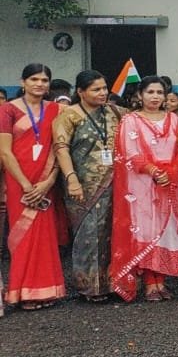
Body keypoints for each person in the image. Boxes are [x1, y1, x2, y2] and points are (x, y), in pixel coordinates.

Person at [109, 76, 178, 302]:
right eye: (150, 92)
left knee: (166, 230)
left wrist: (171, 173)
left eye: (159, 92)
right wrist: (154, 171)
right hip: (142, 184)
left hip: (170, 182)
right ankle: (149, 283)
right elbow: (130, 151)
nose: (155, 97)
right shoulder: (130, 120)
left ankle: (161, 282)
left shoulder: (174, 119)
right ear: (140, 95)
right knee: (146, 229)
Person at [0, 63, 66, 309]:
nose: (39, 84)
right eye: (34, 79)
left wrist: (48, 181)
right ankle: (23, 293)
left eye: (44, 80)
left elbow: (60, 149)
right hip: (20, 183)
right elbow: (5, 153)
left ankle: (44, 291)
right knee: (23, 237)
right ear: (23, 82)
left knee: (44, 236)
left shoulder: (57, 110)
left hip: (46, 182)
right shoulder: (8, 110)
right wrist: (27, 186)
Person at [53, 70, 121, 302]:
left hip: (114, 183)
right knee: (88, 233)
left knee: (111, 233)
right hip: (81, 184)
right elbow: (61, 148)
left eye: (104, 88)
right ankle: (88, 286)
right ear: (80, 92)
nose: (103, 93)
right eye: (96, 89)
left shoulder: (114, 111)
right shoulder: (69, 115)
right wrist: (71, 178)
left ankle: (112, 283)